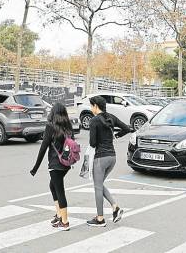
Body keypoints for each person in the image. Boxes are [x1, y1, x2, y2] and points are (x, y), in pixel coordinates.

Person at [86, 95, 132, 227]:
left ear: (95, 106)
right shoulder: (111, 117)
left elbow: (93, 143)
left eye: (91, 106)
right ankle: (115, 207)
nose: (91, 108)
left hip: (100, 158)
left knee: (97, 187)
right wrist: (115, 136)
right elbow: (127, 128)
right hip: (112, 157)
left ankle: (100, 219)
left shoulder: (94, 121)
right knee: (99, 184)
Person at [30, 103, 75, 231]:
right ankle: (59, 214)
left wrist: (35, 167)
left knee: (59, 191)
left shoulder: (50, 127)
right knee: (53, 186)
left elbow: (43, 148)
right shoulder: (68, 126)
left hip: (55, 165)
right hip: (66, 163)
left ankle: (64, 222)